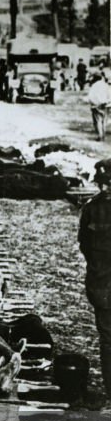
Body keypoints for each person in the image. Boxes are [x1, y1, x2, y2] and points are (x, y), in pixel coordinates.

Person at [80, 158, 111, 399]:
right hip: (102, 287)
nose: (104, 190)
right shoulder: (91, 208)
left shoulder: (92, 208)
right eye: (103, 185)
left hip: (101, 285)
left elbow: (86, 247)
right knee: (108, 340)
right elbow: (85, 245)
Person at [88, 73, 110, 142]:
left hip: (96, 105)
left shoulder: (94, 86)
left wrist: (93, 103)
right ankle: (103, 135)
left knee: (98, 121)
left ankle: (100, 135)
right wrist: (108, 102)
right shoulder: (106, 85)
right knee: (104, 121)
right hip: (106, 105)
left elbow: (91, 97)